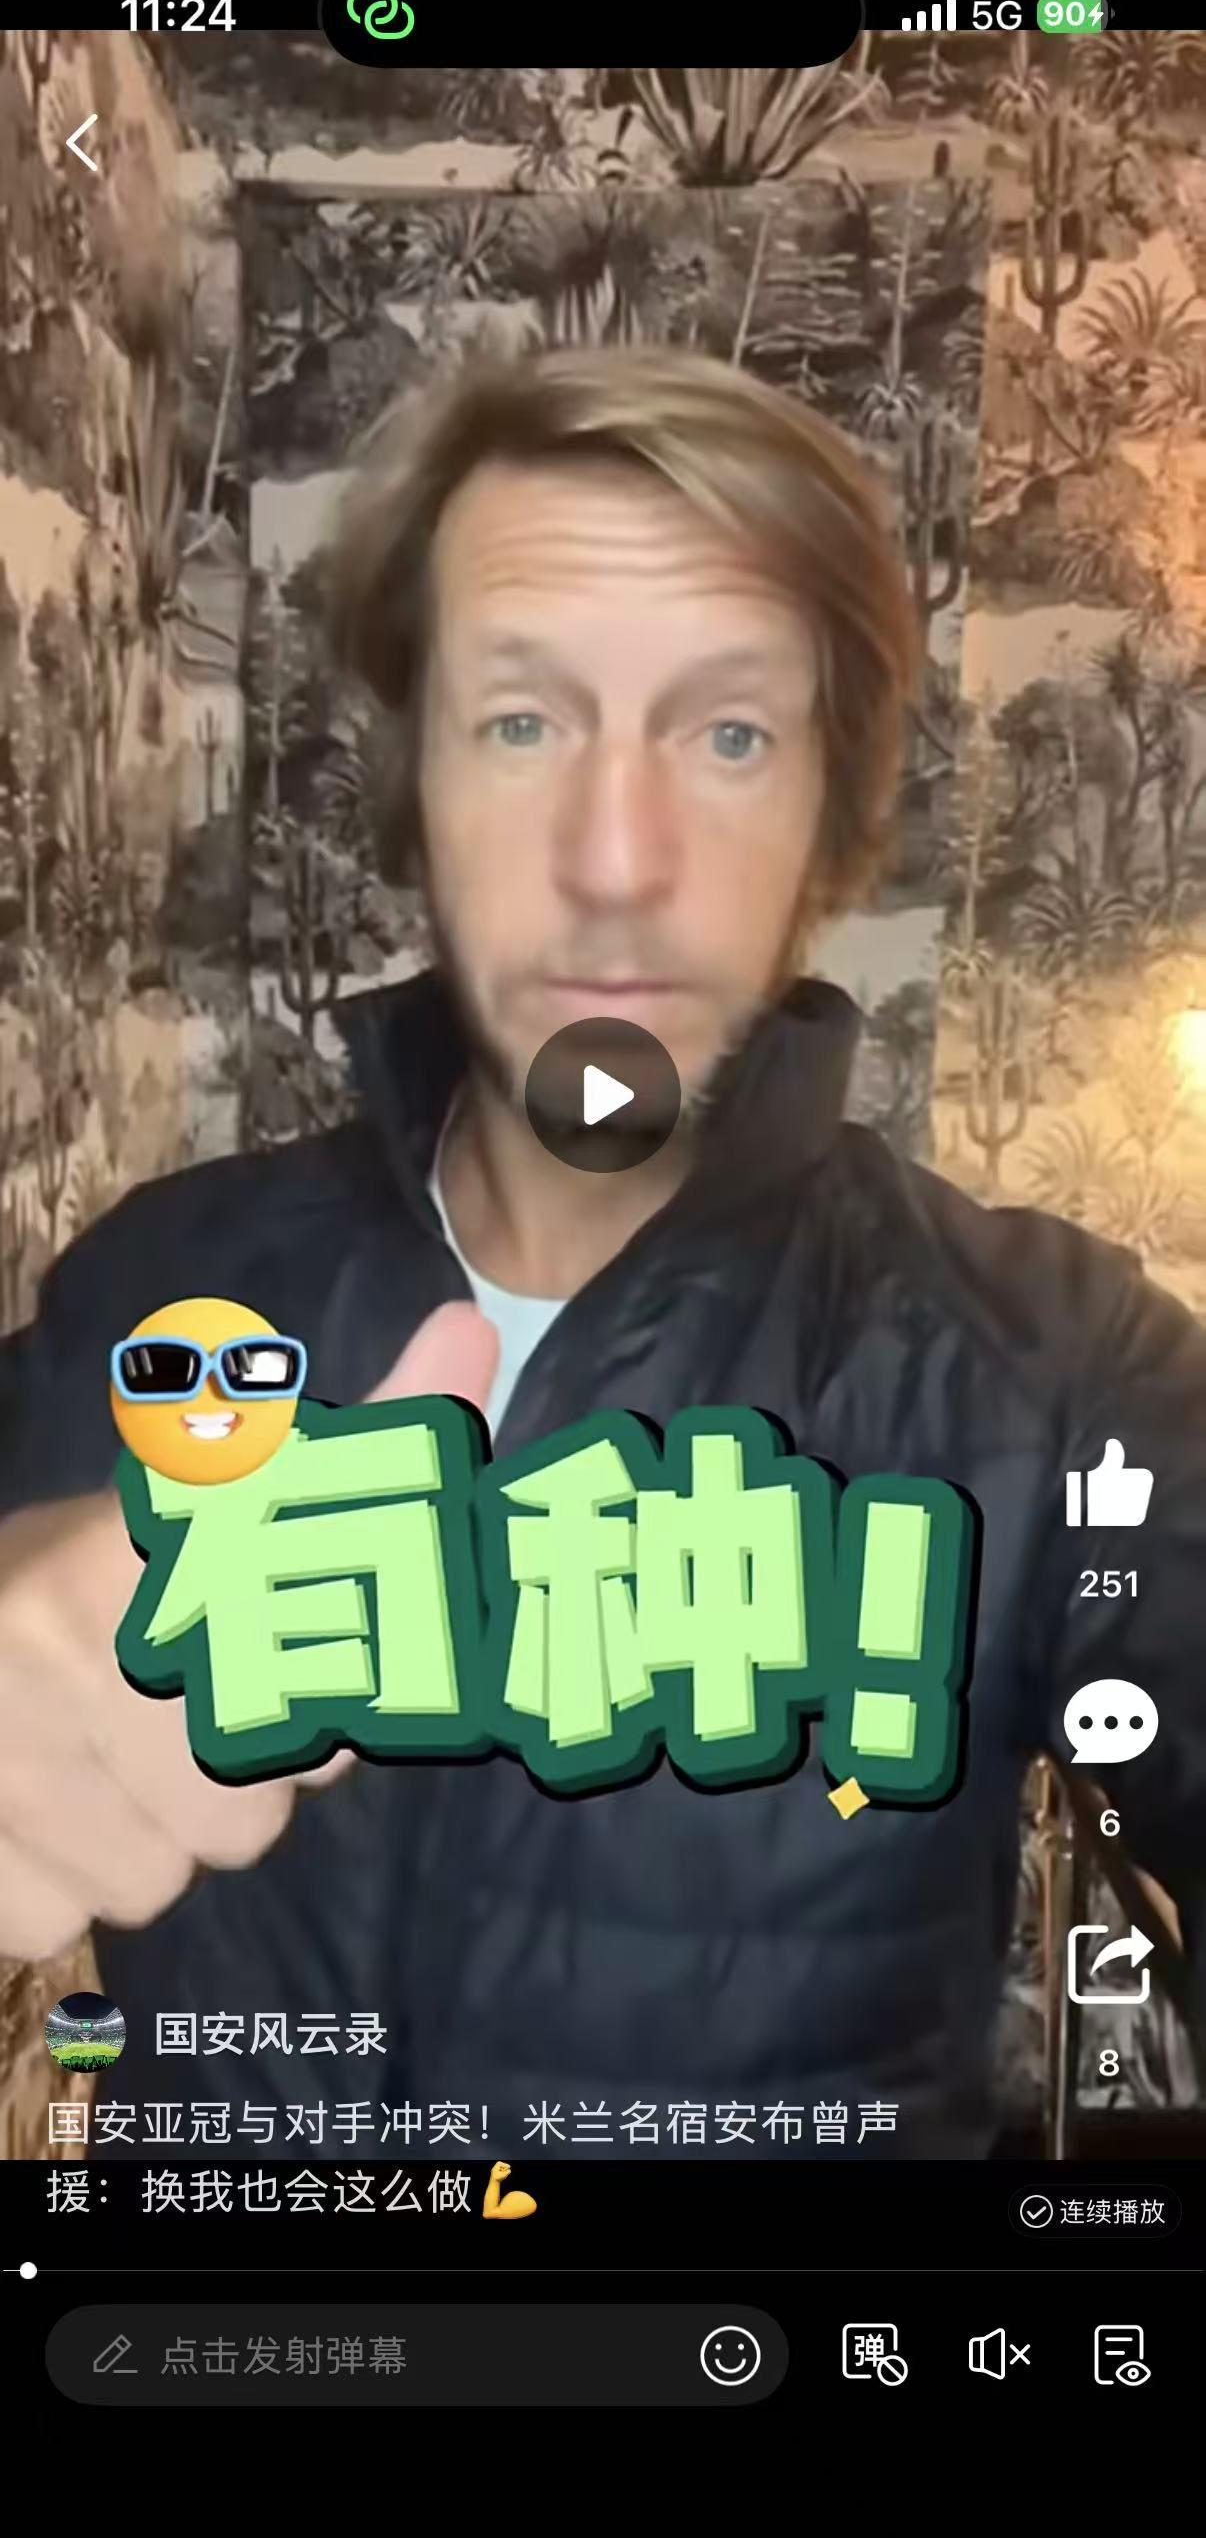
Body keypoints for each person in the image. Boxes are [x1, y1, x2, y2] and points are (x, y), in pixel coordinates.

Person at [1, 347, 1204, 2160]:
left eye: (728, 736)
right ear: (410, 787)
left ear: (827, 820)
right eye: (520, 722)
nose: (619, 859)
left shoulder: (1059, 1367)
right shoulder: (154, 1297)